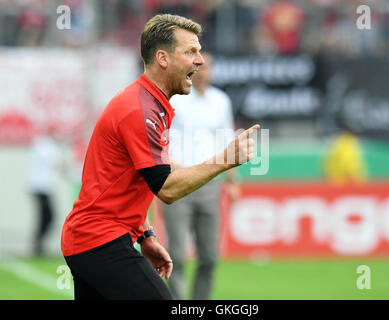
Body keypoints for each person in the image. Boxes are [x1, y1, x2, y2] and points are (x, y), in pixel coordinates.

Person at [60, 14, 260, 300]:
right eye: (191, 51)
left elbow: (139, 177)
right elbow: (166, 188)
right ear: (163, 58)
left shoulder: (149, 103)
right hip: (100, 241)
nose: (200, 60)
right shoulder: (140, 110)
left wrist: (145, 235)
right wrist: (225, 159)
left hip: (92, 240)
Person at [164, 52, 239, 300]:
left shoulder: (221, 101)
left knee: (209, 257)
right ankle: (177, 303)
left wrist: (232, 181)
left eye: (206, 68)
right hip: (179, 180)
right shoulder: (175, 99)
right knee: (175, 254)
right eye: (198, 67)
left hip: (209, 184)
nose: (203, 72)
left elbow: (227, 142)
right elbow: (160, 136)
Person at [28, 126, 61, 256]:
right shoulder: (45, 146)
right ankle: (38, 243)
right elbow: (56, 163)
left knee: (45, 217)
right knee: (47, 217)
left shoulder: (40, 144)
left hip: (43, 187)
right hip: (41, 186)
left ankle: (38, 243)